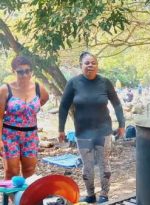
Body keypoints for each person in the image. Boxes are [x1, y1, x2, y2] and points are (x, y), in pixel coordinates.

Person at [58, 52, 125, 204]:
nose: (90, 65)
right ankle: (90, 195)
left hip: (104, 131)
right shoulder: (73, 83)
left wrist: (122, 124)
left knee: (104, 163)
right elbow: (63, 107)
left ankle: (104, 194)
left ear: (97, 65)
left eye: (93, 63)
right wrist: (61, 129)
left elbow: (117, 104)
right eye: (87, 63)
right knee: (87, 165)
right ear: (81, 65)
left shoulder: (105, 82)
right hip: (83, 132)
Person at [0, 56, 49, 180]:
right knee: (12, 171)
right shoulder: (5, 90)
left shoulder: (39, 88)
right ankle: (14, 199)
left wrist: (29, 111)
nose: (24, 75)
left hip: (30, 135)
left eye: (27, 71)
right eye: (20, 72)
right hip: (10, 135)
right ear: (13, 71)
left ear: (31, 71)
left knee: (29, 171)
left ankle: (27, 199)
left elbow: (44, 99)